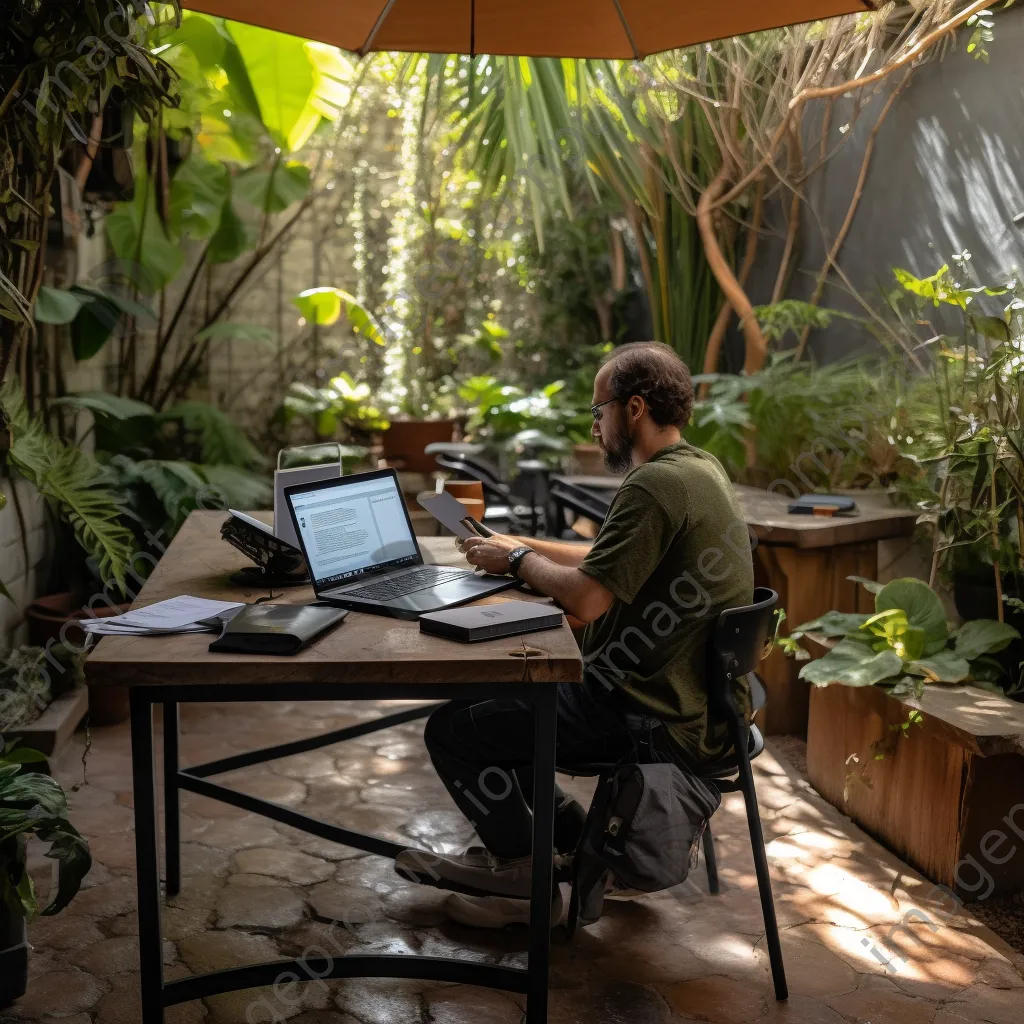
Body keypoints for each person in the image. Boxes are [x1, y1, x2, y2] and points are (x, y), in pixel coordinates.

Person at [396, 341, 755, 928]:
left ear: (633, 408)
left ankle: (519, 873)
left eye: (599, 410)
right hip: (697, 707)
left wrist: (515, 566)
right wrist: (519, 546)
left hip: (651, 719)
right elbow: (601, 561)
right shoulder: (696, 468)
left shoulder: (653, 487)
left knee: (454, 730)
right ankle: (575, 846)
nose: (595, 425)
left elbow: (588, 595)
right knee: (488, 703)